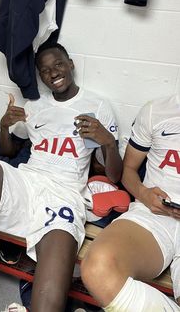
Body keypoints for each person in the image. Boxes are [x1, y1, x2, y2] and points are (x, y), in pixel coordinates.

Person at [0, 42, 122, 312]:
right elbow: (9, 150)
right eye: (45, 70)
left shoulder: (97, 105)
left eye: (58, 65)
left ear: (71, 64)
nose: (53, 73)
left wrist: (108, 142)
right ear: (40, 75)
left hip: (64, 194)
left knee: (48, 301)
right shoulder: (35, 105)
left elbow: (115, 176)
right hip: (26, 182)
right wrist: (4, 126)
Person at [81, 94, 180, 311]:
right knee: (97, 267)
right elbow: (128, 171)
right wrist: (145, 195)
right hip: (153, 214)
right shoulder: (156, 110)